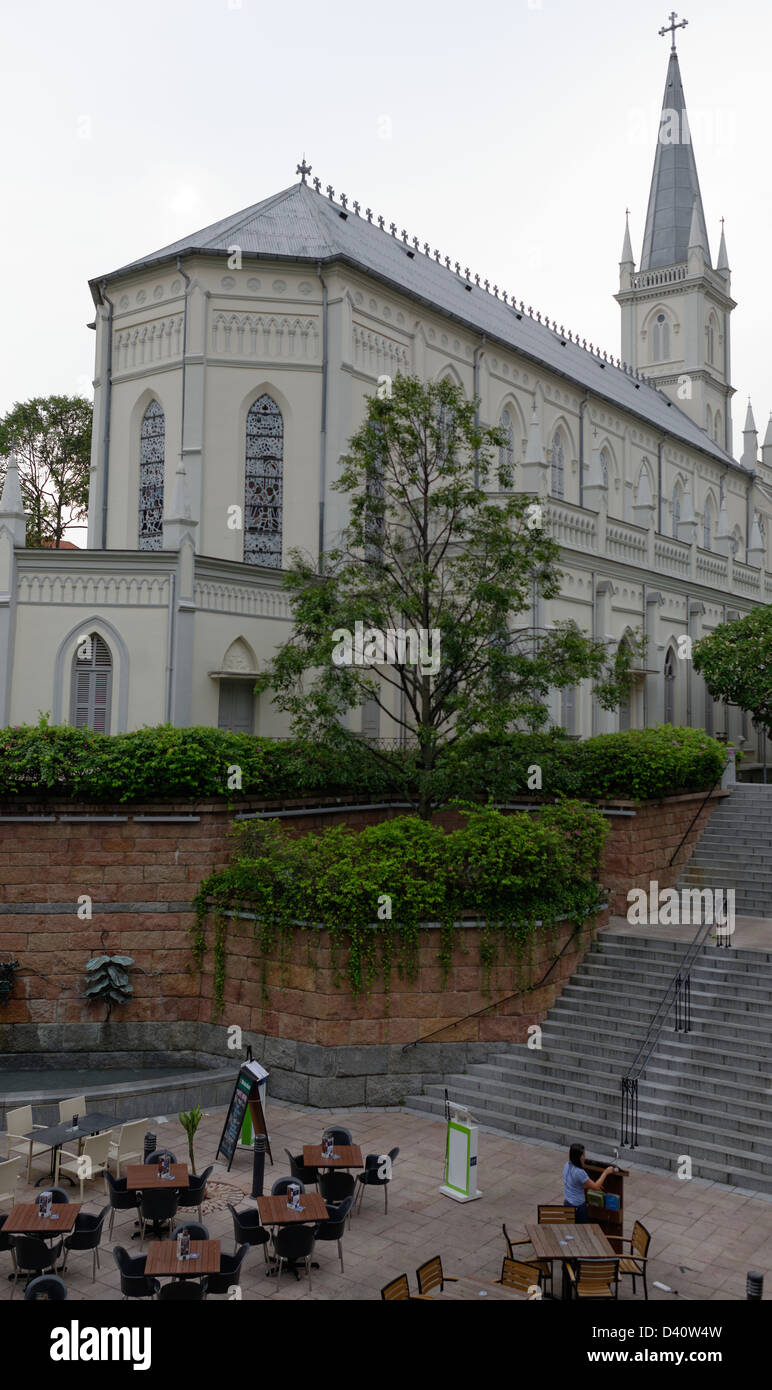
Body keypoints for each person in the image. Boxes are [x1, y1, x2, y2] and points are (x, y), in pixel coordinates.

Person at [563, 1143, 615, 1224]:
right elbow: (596, 1187)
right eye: (583, 1155)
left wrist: (587, 1185)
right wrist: (606, 1172)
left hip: (567, 1204)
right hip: (578, 1207)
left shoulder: (567, 1165)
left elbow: (574, 1183)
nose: (584, 1157)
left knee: (571, 1230)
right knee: (582, 1231)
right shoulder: (579, 1172)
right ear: (579, 1157)